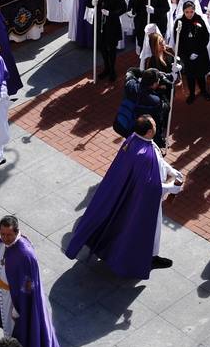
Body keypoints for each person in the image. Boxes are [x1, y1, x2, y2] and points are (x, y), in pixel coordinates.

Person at [64, 114, 184, 278]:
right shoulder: (144, 155)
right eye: (154, 126)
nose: (157, 126)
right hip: (143, 201)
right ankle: (148, 259)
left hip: (130, 195)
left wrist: (170, 170)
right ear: (149, 132)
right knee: (148, 230)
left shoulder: (133, 140)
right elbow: (148, 186)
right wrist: (172, 188)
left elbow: (157, 160)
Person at [0, 215, 60, 347]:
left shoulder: (25, 255)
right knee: (7, 325)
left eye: (9, 234)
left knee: (15, 329)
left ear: (17, 232)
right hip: (4, 293)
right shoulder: (1, 244)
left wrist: (19, 308)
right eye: (2, 234)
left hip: (15, 300)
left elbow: (28, 287)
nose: (5, 238)